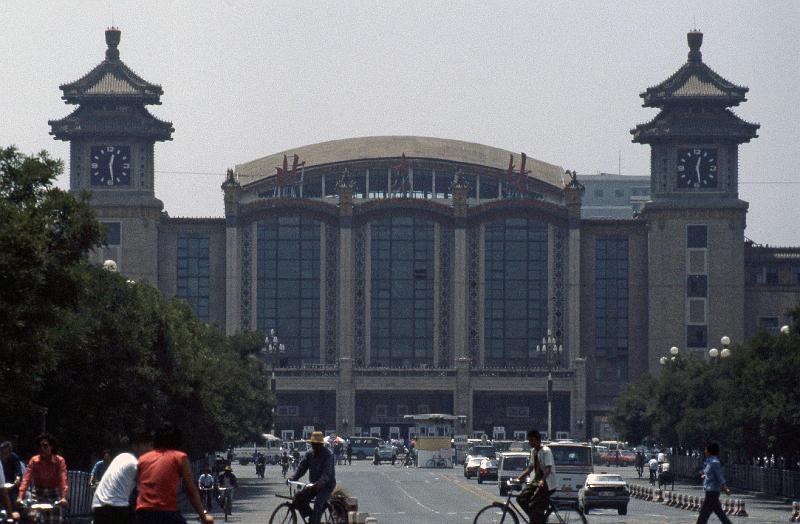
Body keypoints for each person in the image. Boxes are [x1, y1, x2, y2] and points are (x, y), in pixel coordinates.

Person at [135, 422, 213, 523]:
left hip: (142, 514)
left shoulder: (143, 459)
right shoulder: (179, 457)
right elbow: (190, 490)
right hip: (166, 513)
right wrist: (203, 515)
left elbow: (139, 487)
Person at [92, 433, 153, 524]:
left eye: (151, 445)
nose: (150, 449)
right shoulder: (136, 464)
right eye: (146, 445)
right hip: (116, 508)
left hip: (97, 506)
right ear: (134, 447)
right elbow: (146, 491)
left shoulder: (121, 457)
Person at [17, 433, 69, 523]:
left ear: (51, 447)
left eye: (45, 446)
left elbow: (63, 479)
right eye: (39, 446)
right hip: (38, 493)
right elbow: (26, 479)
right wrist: (20, 497)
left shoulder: (59, 461)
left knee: (55, 519)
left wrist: (64, 497)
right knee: (32, 517)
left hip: (53, 493)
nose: (42, 448)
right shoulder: (34, 460)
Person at [290, 431, 336, 524]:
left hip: (327, 485)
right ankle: (312, 518)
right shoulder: (309, 454)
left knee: (318, 504)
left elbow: (327, 474)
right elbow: (302, 467)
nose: (314, 446)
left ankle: (315, 520)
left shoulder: (328, 455)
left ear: (321, 444)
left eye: (316, 444)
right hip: (313, 484)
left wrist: (319, 484)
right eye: (313, 444)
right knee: (298, 498)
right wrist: (293, 478)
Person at [515, 430, 554, 524]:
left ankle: (536, 520)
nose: (530, 443)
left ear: (538, 440)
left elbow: (548, 470)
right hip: (536, 482)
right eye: (529, 441)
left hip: (547, 484)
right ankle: (535, 520)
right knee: (521, 499)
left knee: (536, 505)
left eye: (532, 440)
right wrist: (518, 478)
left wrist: (542, 481)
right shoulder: (533, 451)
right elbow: (530, 468)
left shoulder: (546, 451)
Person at [696, 442, 733, 524]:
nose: (704, 451)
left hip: (712, 492)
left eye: (706, 449)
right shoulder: (709, 462)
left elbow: (719, 476)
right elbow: (709, 475)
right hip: (710, 492)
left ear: (710, 451)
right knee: (720, 514)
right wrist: (703, 474)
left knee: (703, 515)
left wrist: (725, 487)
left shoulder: (714, 462)